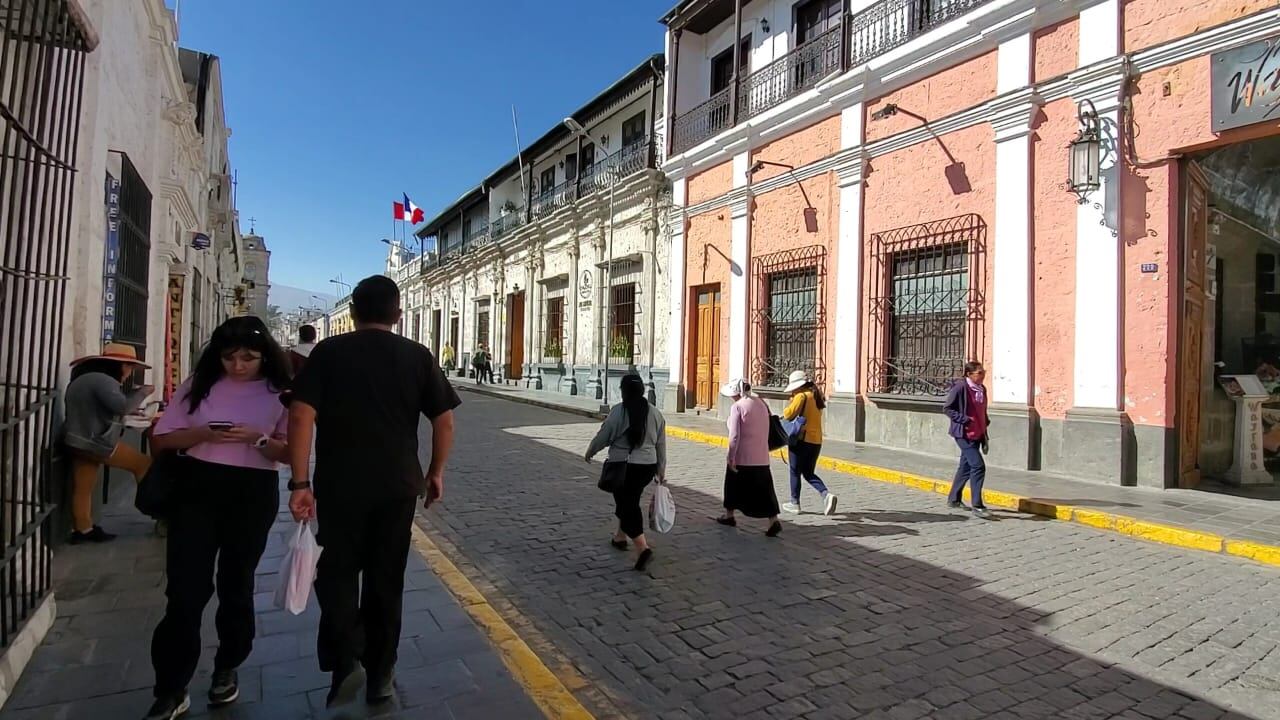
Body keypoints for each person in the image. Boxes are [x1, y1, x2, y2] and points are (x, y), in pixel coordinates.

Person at [287, 275, 459, 708]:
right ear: (399, 315)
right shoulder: (418, 356)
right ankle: (381, 673)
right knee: (386, 580)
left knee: (337, 572)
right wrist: (436, 471)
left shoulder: (328, 352)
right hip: (398, 486)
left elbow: (301, 416)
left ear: (353, 315)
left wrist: (300, 481)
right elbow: (444, 420)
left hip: (340, 485)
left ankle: (346, 660)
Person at [144, 316, 293, 719]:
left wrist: (258, 440)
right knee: (185, 591)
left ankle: (227, 666)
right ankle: (172, 687)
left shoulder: (279, 393)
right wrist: (202, 434)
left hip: (252, 493)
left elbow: (288, 451)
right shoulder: (199, 385)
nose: (239, 365)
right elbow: (162, 440)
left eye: (249, 357)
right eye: (230, 357)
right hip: (196, 489)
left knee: (236, 585)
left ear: (265, 356)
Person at [62, 342, 154, 543]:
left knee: (83, 486)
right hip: (95, 442)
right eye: (129, 367)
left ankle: (83, 529)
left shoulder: (86, 379)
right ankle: (153, 507)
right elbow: (122, 406)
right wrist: (143, 392)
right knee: (142, 463)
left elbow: (104, 408)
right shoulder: (104, 381)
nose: (130, 372)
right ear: (118, 365)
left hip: (77, 440)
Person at [585, 374, 666, 572]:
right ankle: (620, 537)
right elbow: (661, 444)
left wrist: (590, 451)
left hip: (623, 466)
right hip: (646, 467)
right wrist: (661, 469)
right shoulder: (655, 413)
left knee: (626, 505)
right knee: (630, 500)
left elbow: (604, 435)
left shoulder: (619, 412)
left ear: (623, 391)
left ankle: (642, 547)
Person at [715, 379, 781, 537]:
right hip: (762, 457)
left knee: (732, 486)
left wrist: (731, 456)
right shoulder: (762, 403)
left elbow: (734, 436)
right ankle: (773, 520)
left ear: (736, 394)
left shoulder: (737, 407)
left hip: (742, 457)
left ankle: (729, 515)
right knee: (766, 490)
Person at [780, 370, 838, 516]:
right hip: (816, 441)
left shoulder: (801, 396)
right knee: (808, 472)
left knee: (794, 471)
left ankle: (795, 503)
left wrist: (791, 400)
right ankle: (826, 495)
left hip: (801, 439)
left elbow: (788, 414)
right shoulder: (816, 396)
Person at [943, 361, 992, 520]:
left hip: (977, 433)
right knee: (978, 466)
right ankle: (977, 505)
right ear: (969, 374)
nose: (982, 375)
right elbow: (947, 408)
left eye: (983, 372)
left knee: (965, 467)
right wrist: (964, 419)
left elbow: (981, 409)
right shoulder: (961, 387)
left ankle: (954, 499)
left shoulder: (982, 389)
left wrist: (984, 422)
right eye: (979, 373)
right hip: (963, 434)